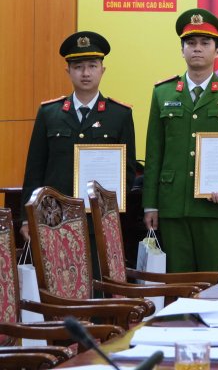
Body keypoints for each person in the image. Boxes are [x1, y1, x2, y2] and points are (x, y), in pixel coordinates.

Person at [143, 9, 218, 273]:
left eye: (205, 43)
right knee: (177, 280)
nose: (197, 49)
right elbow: (154, 152)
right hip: (173, 204)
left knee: (212, 279)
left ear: (217, 51)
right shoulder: (163, 92)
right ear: (182, 50)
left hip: (215, 206)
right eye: (190, 43)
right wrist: (151, 204)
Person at [21, 32, 136, 256]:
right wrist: (27, 218)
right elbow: (34, 172)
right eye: (78, 66)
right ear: (68, 71)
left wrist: (108, 206)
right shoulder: (49, 113)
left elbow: (128, 172)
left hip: (99, 221)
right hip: (54, 219)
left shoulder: (119, 115)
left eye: (92, 66)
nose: (85, 73)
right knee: (58, 286)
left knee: (97, 284)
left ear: (102, 70)